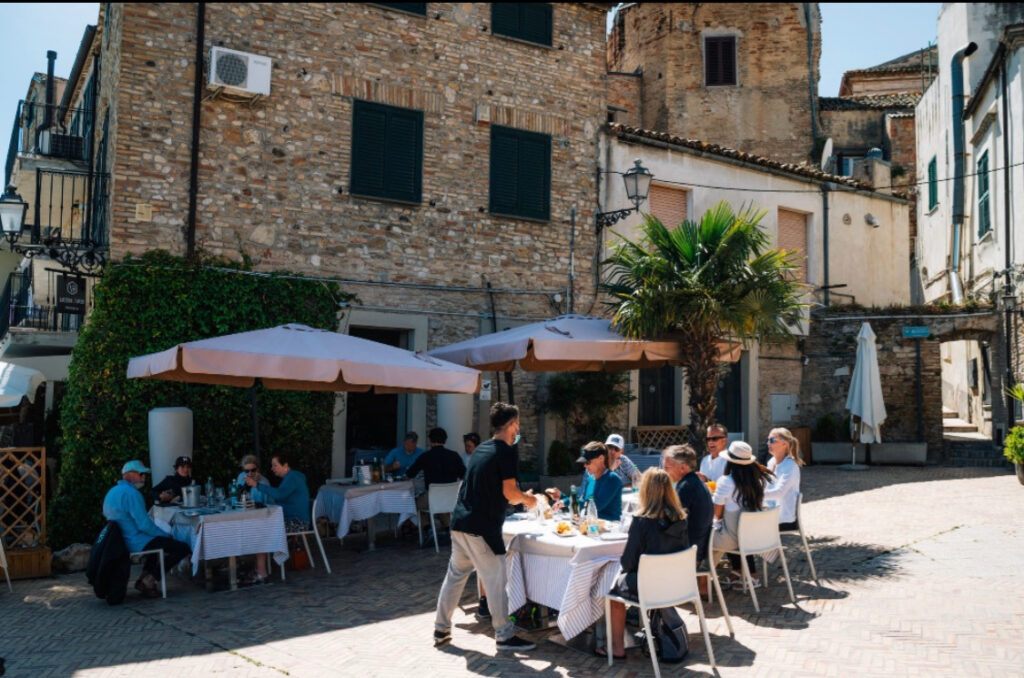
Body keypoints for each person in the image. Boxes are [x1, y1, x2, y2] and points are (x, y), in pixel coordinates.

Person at [434, 402, 538, 652]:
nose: (518, 430)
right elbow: (510, 493)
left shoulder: (482, 448)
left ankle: (441, 629)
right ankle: (504, 634)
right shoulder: (506, 451)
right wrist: (529, 500)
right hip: (482, 527)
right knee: (496, 579)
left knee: (455, 577)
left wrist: (519, 496)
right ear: (513, 425)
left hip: (460, 523)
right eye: (518, 425)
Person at [600, 468, 689, 659]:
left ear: (645, 490)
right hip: (678, 585)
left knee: (611, 589)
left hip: (651, 587)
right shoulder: (681, 519)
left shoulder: (642, 522)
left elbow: (628, 563)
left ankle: (617, 648)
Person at [102, 460, 191, 599]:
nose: (144, 478)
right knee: (182, 547)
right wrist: (165, 535)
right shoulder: (132, 494)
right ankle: (150, 580)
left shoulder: (112, 492)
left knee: (158, 543)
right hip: (135, 540)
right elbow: (144, 525)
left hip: (121, 539)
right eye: (141, 474)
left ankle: (144, 579)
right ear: (130, 475)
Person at [709, 441, 775, 589]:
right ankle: (740, 571)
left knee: (700, 535)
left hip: (732, 540)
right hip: (750, 538)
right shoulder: (757, 482)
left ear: (730, 462)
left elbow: (717, 515)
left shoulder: (725, 481)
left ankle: (700, 580)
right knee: (730, 527)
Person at [243, 452, 310, 585]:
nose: (272, 468)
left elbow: (279, 495)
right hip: (294, 519)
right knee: (259, 526)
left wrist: (257, 485)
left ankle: (261, 572)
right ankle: (259, 568)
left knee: (260, 530)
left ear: (285, 465)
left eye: (275, 465)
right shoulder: (292, 477)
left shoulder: (292, 478)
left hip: (298, 522)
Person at [662, 444, 713, 575]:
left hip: (687, 554)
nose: (664, 471)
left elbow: (670, 522)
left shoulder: (686, 487)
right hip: (697, 549)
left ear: (682, 467)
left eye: (667, 467)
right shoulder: (696, 482)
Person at [406, 427, 467, 518]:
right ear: (445, 440)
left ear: (430, 441)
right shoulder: (454, 456)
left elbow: (409, 474)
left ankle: (425, 526)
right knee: (443, 502)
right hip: (451, 499)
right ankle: (445, 526)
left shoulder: (425, 456)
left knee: (411, 502)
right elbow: (464, 475)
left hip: (432, 499)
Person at [763, 427, 804, 531]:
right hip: (769, 511)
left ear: (784, 444)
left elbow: (779, 492)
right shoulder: (771, 462)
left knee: (746, 522)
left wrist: (755, 495)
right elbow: (764, 485)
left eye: (772, 440)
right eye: (767, 440)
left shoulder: (790, 466)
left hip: (784, 518)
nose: (768, 443)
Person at [576, 442, 623, 521]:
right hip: (591, 525)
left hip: (611, 529)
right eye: (584, 463)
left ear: (601, 458)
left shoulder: (612, 479)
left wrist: (570, 502)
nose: (585, 465)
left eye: (588, 462)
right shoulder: (590, 479)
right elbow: (582, 502)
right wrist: (563, 499)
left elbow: (594, 507)